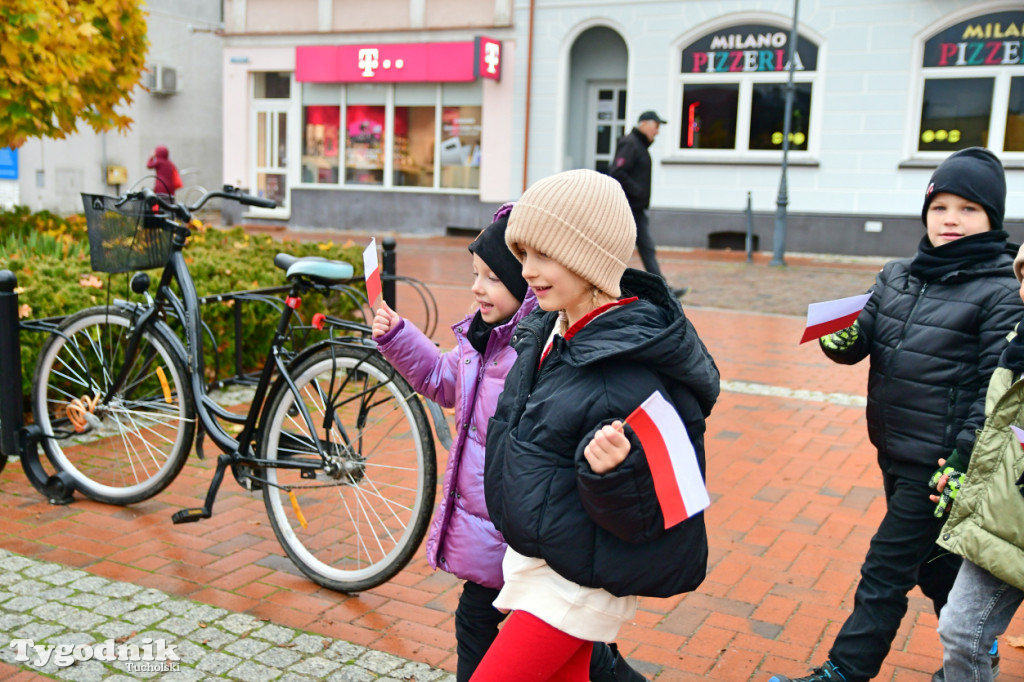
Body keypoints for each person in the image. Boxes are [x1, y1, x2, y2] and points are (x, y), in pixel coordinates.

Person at [767, 147, 1023, 682]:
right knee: (933, 566)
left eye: (969, 208)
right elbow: (858, 341)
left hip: (940, 464)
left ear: (992, 218)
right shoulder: (897, 275)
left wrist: (962, 459)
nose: (951, 218)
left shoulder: (1001, 291)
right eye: (941, 206)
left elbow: (991, 391)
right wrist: (838, 339)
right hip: (892, 448)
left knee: (884, 569)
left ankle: (844, 671)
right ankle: (979, 652)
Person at [371, 206, 644, 682]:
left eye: (493, 278)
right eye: (475, 275)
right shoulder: (482, 343)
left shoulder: (531, 352)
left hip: (514, 532)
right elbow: (442, 378)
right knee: (549, 638)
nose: (478, 287)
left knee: (493, 624)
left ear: (525, 290)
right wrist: (397, 337)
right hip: (491, 529)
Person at [472, 169, 720, 681]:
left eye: (544, 256)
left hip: (574, 585)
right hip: (544, 557)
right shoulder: (549, 327)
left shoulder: (632, 369)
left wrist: (615, 472)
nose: (527, 272)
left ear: (589, 259)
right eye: (522, 256)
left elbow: (670, 508)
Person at [930, 244, 1024, 682]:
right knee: (960, 630)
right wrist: (961, 467)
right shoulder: (1017, 343)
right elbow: (996, 422)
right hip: (1002, 519)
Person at [609, 111, 688, 298]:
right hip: (629, 208)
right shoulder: (631, 144)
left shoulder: (639, 145)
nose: (657, 131)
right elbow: (617, 172)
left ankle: (661, 289)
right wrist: (637, 192)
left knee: (644, 248)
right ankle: (659, 290)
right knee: (626, 248)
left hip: (635, 208)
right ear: (643, 123)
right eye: (656, 126)